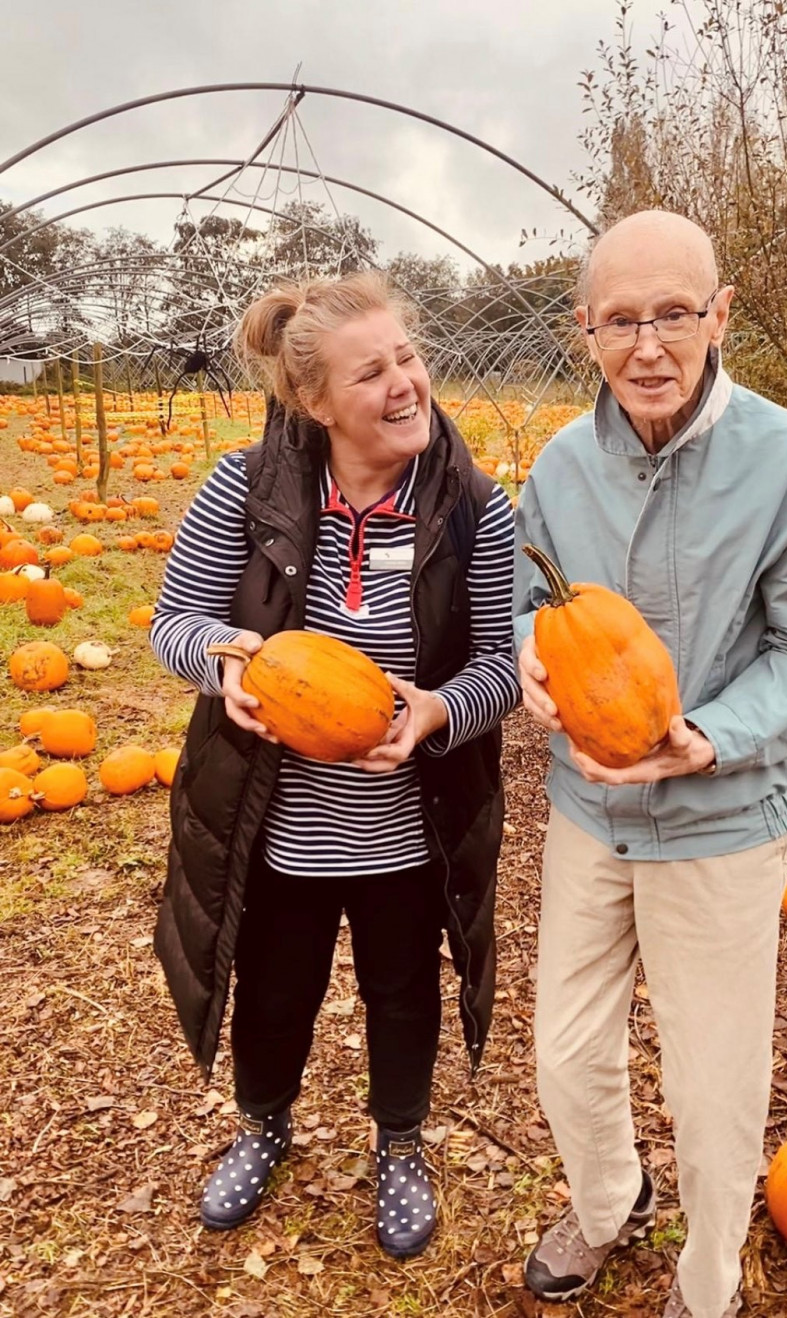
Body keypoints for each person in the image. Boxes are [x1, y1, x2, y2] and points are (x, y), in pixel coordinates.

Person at [513, 211, 787, 1318]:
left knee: (713, 1084)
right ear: (584, 330)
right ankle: (611, 1194)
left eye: (674, 312)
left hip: (720, 815)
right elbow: (537, 607)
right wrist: (531, 661)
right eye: (622, 318)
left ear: (720, 314)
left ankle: (706, 1282)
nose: (650, 345)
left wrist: (702, 737)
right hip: (588, 811)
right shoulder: (561, 467)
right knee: (565, 1052)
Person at [150, 271, 521, 1257]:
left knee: (403, 988)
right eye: (372, 373)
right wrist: (228, 665)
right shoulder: (243, 489)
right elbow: (172, 624)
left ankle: (400, 1142)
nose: (405, 384)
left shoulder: (475, 509)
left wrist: (441, 710)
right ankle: (263, 1124)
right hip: (274, 824)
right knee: (274, 991)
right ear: (314, 402)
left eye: (408, 357)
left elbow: (501, 668)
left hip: (410, 822)